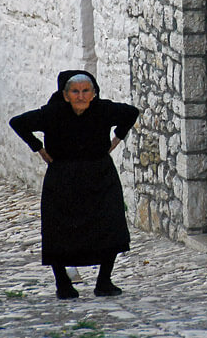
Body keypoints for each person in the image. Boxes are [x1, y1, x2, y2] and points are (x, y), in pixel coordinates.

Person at [9, 70, 139, 299]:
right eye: (75, 92)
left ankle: (104, 282)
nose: (81, 96)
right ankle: (63, 284)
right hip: (63, 178)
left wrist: (117, 138)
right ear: (65, 95)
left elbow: (131, 113)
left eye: (85, 91)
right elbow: (18, 122)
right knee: (59, 230)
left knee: (110, 225)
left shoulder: (103, 110)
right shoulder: (52, 114)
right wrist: (38, 147)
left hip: (100, 175)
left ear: (94, 93)